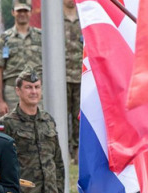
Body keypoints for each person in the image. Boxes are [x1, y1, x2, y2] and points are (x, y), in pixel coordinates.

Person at [0, 0, 43, 116]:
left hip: (36, 89)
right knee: (15, 127)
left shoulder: (41, 37)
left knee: (39, 126)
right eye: (19, 11)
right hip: (13, 91)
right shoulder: (4, 39)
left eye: (25, 11)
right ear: (13, 12)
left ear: (30, 13)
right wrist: (0, 101)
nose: (22, 14)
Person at [63, 0, 82, 162]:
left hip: (81, 75)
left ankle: (77, 150)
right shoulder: (56, 21)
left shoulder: (83, 18)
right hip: (62, 77)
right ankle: (64, 149)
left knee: (79, 115)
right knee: (63, 113)